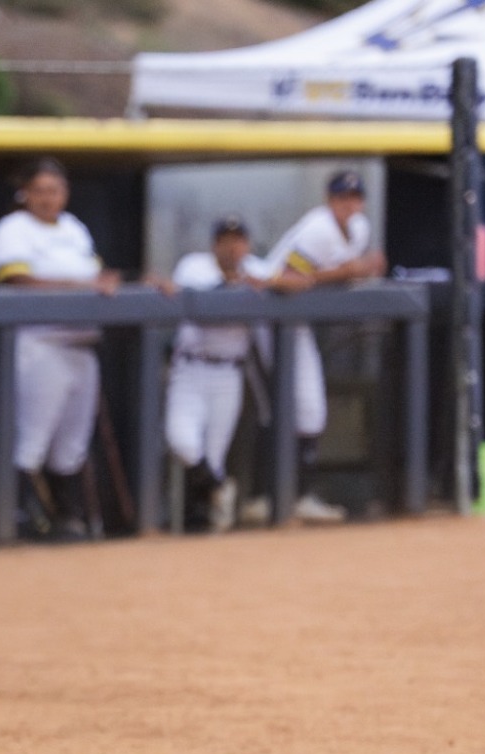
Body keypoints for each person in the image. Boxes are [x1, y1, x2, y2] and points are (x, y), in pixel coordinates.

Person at [0, 157, 120, 540]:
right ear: (25, 193)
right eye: (40, 190)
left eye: (56, 190)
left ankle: (66, 518)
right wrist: (83, 288)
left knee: (72, 443)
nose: (48, 198)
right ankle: (19, 519)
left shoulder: (74, 228)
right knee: (31, 440)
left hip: (81, 345)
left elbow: (97, 274)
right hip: (40, 344)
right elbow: (16, 278)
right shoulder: (13, 228)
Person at [248, 170, 388, 525]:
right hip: (268, 312)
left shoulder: (359, 229)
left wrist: (361, 270)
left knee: (310, 410)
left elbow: (346, 273)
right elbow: (288, 280)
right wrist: (348, 271)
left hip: (296, 321)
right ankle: (264, 498)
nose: (349, 204)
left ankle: (297, 496)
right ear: (330, 200)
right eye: (343, 198)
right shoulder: (318, 228)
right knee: (278, 408)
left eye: (355, 198)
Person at [163, 216, 279, 533]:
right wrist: (239, 286)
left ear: (248, 244)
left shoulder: (258, 269)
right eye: (225, 240)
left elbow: (294, 283)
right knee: (182, 441)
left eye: (238, 240)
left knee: (213, 456)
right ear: (214, 244)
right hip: (191, 368)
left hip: (229, 373)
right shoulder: (194, 266)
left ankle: (204, 524)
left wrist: (268, 284)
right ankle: (220, 489)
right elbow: (207, 303)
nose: (232, 247)